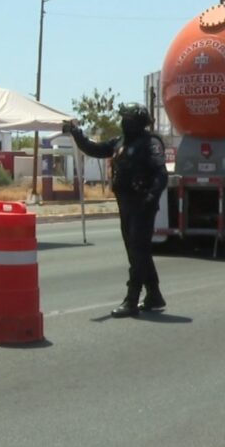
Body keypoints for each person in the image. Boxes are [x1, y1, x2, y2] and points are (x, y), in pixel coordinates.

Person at [63, 103, 168, 318]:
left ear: (137, 121)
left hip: (142, 204)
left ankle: (131, 299)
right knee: (137, 251)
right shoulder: (120, 142)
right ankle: (154, 295)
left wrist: (151, 197)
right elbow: (94, 149)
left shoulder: (151, 143)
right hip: (125, 202)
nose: (123, 122)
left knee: (138, 251)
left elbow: (161, 174)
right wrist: (76, 133)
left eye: (127, 118)